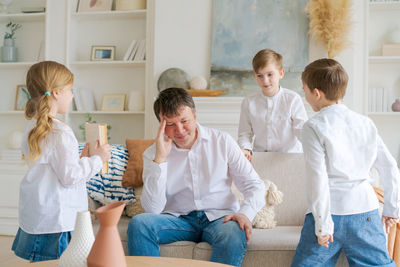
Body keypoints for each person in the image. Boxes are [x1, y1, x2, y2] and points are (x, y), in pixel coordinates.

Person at [127, 87, 265, 267]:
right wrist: (160, 160)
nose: (180, 130)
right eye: (170, 124)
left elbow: (254, 185)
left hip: (219, 218)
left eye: (185, 121)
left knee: (234, 232)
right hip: (177, 220)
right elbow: (152, 209)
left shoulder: (222, 141)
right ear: (161, 125)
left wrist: (245, 214)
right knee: (139, 224)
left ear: (195, 115)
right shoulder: (152, 154)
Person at [291, 58, 399, 266]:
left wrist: (322, 226)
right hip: (365, 211)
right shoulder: (365, 123)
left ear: (316, 93)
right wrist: (392, 210)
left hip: (329, 213)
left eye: (304, 91)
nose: (305, 96)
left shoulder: (313, 126)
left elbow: (318, 179)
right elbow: (390, 167)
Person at [12, 61, 111, 262]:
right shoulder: (60, 131)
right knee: (61, 263)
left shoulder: (34, 126)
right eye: (70, 90)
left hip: (40, 212)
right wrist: (98, 159)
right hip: (57, 219)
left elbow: (55, 168)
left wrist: (81, 159)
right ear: (56, 92)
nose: (72, 95)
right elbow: (70, 177)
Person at [238, 49, 308, 162]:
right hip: (260, 158)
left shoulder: (293, 99)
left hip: (289, 159)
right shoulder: (248, 102)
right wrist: (245, 149)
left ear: (281, 73)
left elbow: (302, 130)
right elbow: (244, 134)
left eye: (270, 74)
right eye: (259, 75)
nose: (265, 81)